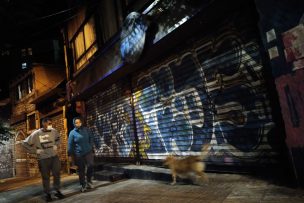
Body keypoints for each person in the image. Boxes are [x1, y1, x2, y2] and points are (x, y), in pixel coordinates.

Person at [23, 117, 64, 201]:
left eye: (51, 123)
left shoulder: (54, 131)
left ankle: (57, 191)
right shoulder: (36, 133)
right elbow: (24, 143)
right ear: (43, 124)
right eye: (49, 123)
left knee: (57, 174)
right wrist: (35, 151)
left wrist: (56, 144)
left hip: (54, 157)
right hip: (43, 159)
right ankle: (47, 194)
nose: (50, 125)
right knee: (46, 177)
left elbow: (58, 138)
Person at [68, 117, 98, 192]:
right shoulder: (72, 133)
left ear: (81, 122)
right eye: (76, 123)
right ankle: (83, 185)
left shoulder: (86, 130)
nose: (78, 124)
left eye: (79, 122)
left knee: (91, 165)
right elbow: (70, 145)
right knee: (81, 170)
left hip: (88, 152)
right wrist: (70, 155)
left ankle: (89, 181)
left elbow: (91, 138)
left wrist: (90, 146)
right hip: (79, 154)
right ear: (74, 124)